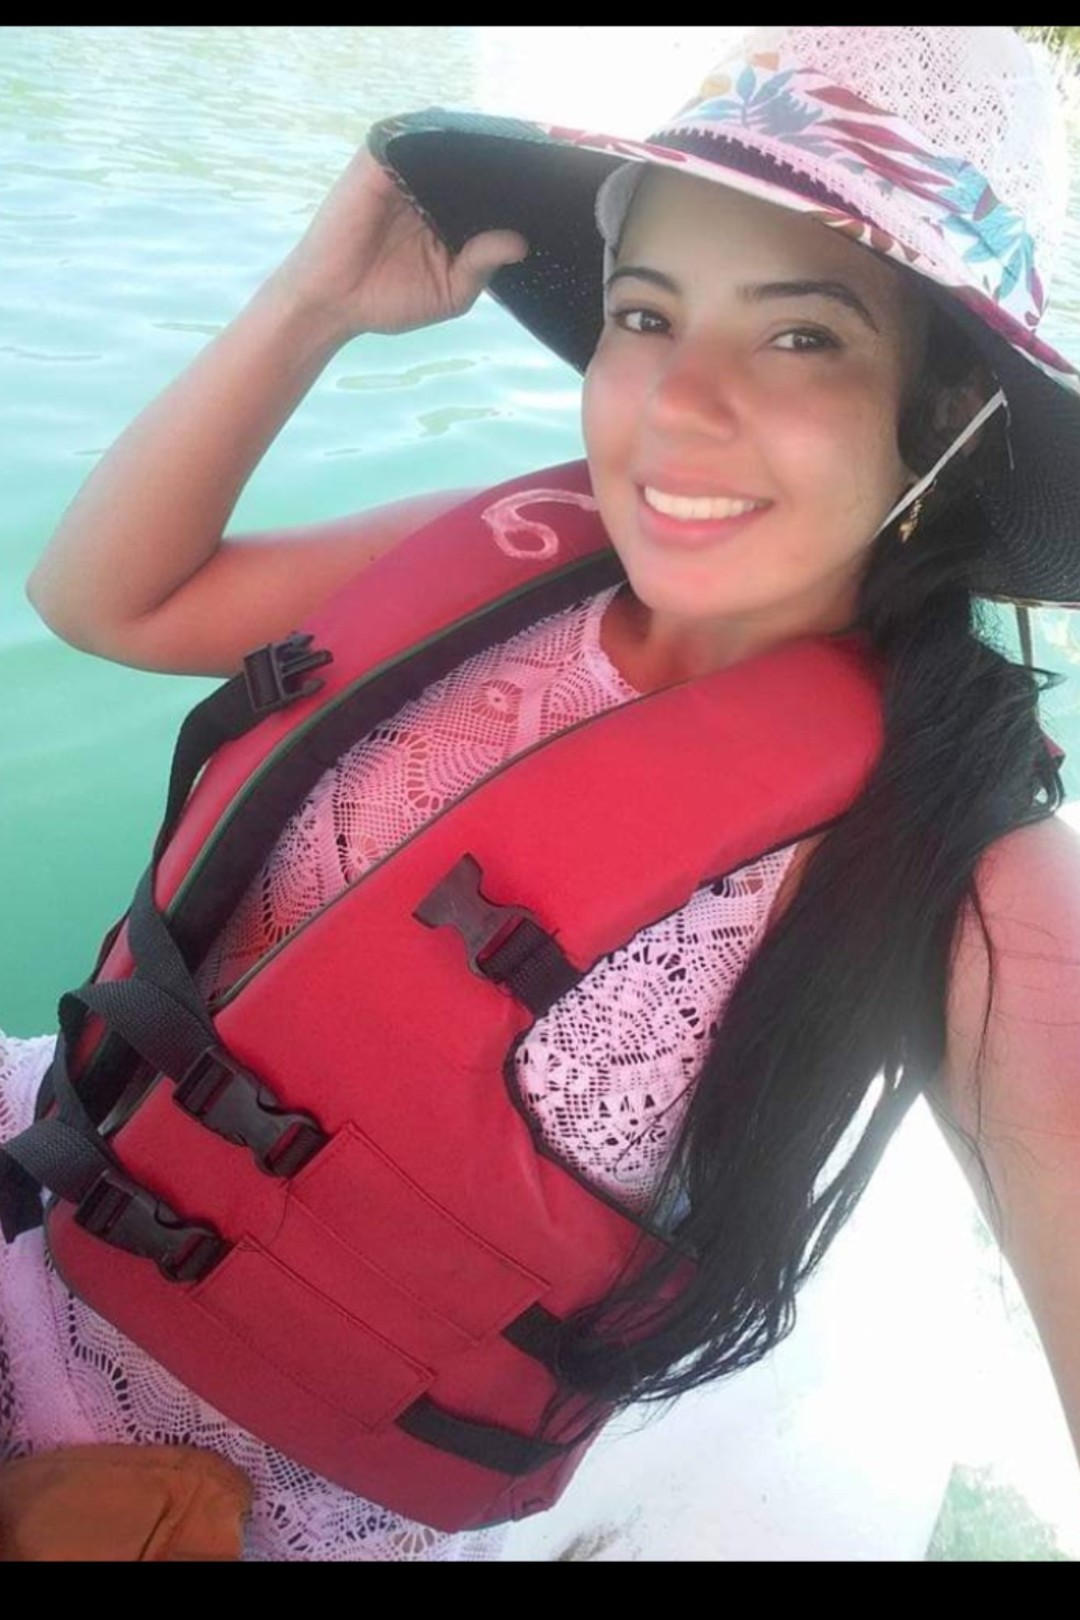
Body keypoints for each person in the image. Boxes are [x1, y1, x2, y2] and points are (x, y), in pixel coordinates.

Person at [3, 23, 1080, 1561]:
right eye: (646, 313)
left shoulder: (967, 870)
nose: (677, 403)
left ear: (946, 411)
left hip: (269, 1472)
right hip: (42, 1177)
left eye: (801, 336)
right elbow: (103, 598)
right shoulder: (511, 560)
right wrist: (310, 306)